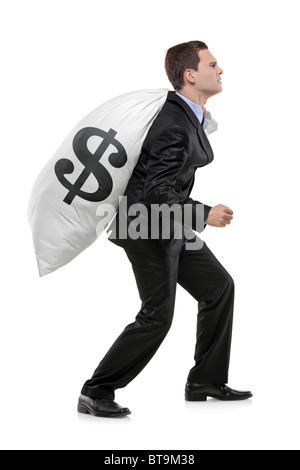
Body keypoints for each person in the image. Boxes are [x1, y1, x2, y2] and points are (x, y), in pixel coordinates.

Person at [78, 41, 252, 418]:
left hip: (167, 222)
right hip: (145, 224)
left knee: (218, 287)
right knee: (157, 316)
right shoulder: (173, 121)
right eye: (212, 64)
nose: (220, 70)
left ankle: (205, 379)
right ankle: (96, 390)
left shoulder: (187, 115)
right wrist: (204, 213)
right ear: (191, 75)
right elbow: (157, 192)